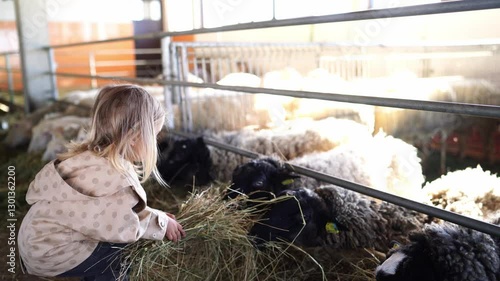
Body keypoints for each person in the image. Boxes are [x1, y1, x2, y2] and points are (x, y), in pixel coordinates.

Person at [18, 84, 186, 281]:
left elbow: (107, 209)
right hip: (53, 252)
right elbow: (125, 226)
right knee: (117, 258)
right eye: (154, 135)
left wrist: (151, 214)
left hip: (35, 240)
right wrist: (161, 224)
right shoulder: (117, 178)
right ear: (134, 137)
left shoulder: (87, 160)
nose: (155, 142)